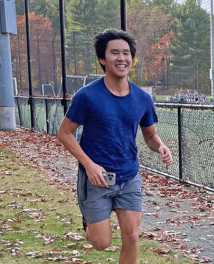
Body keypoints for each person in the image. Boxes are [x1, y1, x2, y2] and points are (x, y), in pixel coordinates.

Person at [57, 29, 172, 264]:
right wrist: (89, 165)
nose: (122, 58)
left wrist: (160, 146)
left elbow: (150, 136)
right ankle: (90, 221)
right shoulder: (87, 96)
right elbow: (64, 133)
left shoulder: (142, 98)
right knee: (102, 243)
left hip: (129, 176)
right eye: (114, 53)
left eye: (126, 53)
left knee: (131, 235)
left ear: (132, 58)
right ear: (102, 59)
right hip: (97, 178)